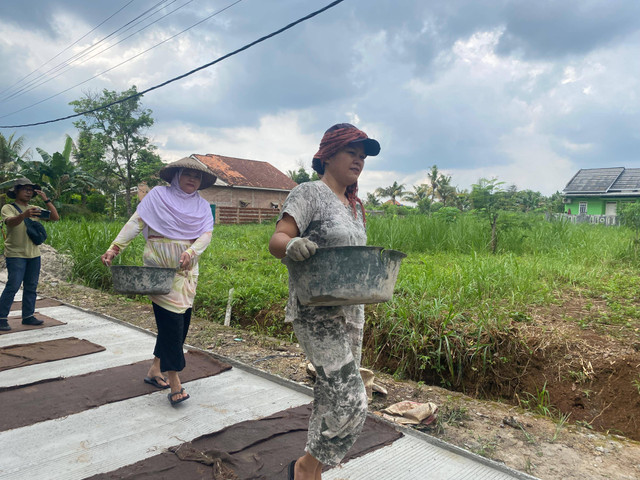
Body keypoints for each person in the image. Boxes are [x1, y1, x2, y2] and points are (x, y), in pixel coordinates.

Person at [268, 123, 381, 480]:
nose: (359, 160)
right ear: (328, 154)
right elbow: (278, 237)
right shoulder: (309, 193)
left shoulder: (354, 206)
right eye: (352, 152)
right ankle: (303, 468)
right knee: (353, 400)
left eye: (363, 156)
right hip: (316, 312)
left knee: (331, 396)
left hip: (351, 310)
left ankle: (309, 471)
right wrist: (291, 245)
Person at [101, 157, 215, 406]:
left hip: (186, 272)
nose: (192, 180)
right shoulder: (158, 197)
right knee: (172, 324)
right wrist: (115, 248)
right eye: (187, 174)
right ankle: (175, 382)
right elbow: (136, 222)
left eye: (197, 177)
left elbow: (206, 234)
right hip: (159, 270)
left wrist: (191, 252)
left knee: (179, 323)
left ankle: (155, 369)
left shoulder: (202, 207)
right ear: (176, 176)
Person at [0, 177, 60, 331]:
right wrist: (23, 215)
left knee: (31, 286)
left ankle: (28, 316)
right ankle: (1, 318)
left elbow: (55, 217)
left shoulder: (34, 208)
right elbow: (10, 222)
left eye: (30, 189)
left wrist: (46, 200)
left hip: (34, 254)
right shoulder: (8, 207)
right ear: (16, 191)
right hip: (15, 253)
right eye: (25, 189)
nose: (28, 192)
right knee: (13, 285)